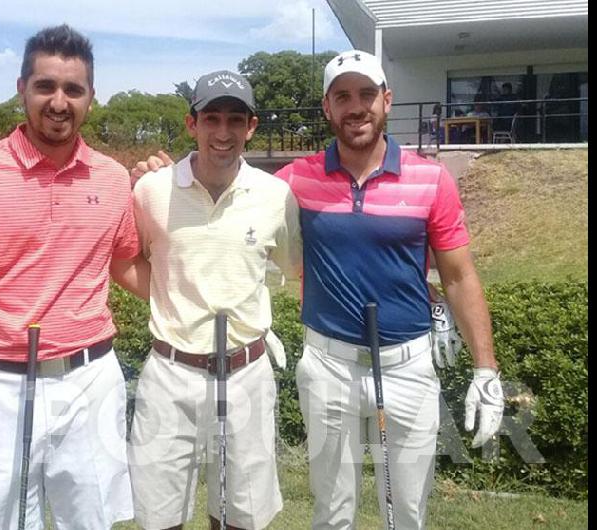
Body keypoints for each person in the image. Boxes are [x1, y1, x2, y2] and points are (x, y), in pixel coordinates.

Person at [134, 50, 503, 529]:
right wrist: (159, 180)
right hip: (328, 365)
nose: (356, 107)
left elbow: (459, 276)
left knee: (408, 512)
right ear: (327, 108)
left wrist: (486, 369)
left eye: (367, 94)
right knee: (331, 512)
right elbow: (229, 208)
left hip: (408, 365)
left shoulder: (431, 179)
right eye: (342, 96)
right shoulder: (292, 183)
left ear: (387, 101)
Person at [0, 24, 148, 530]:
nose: (59, 101)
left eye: (73, 89)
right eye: (45, 86)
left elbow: (126, 263)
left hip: (91, 379)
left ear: (92, 97)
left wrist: (201, 295)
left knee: (89, 521)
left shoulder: (113, 179)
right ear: (21, 87)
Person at [128, 70, 302, 530]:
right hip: (170, 374)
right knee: (160, 518)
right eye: (211, 119)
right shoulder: (150, 190)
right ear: (192, 124)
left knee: (240, 518)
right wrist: (173, 292)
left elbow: (289, 267)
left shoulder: (275, 196)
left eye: (234, 120)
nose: (222, 133)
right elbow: (123, 261)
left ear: (252, 127)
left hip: (246, 373)